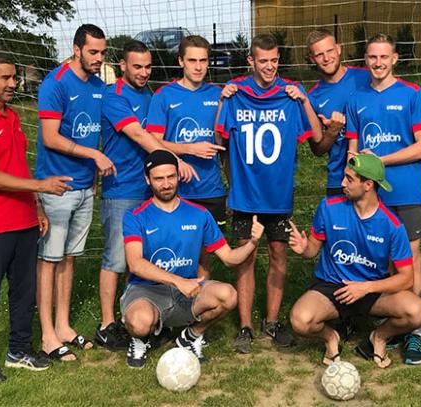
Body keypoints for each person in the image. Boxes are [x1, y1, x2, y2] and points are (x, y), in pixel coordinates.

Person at [0, 51, 72, 382]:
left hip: (24, 220)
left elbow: (17, 166)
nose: (13, 83)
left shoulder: (12, 117)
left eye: (14, 77)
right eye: (5, 78)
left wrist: (35, 203)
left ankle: (19, 350)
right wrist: (41, 185)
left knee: (23, 292)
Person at [216, 33, 323, 354]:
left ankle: (272, 322)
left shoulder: (290, 94)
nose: (270, 67)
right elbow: (218, 137)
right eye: (263, 61)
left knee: (279, 258)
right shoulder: (236, 93)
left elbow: (316, 136)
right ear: (251, 61)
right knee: (244, 259)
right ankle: (246, 326)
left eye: (275, 60)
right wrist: (223, 100)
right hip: (245, 197)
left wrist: (303, 100)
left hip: (278, 198)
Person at [120, 150, 263, 368]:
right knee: (139, 323)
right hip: (146, 291)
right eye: (159, 178)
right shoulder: (135, 216)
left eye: (171, 176)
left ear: (178, 176)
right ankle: (139, 340)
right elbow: (135, 264)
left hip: (186, 292)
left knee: (228, 295)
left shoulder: (199, 214)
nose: (166, 184)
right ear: (147, 180)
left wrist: (252, 243)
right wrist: (178, 281)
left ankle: (190, 336)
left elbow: (229, 258)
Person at [288, 154, 421, 368]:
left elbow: (407, 279)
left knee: (417, 312)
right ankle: (331, 337)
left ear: (368, 185)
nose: (342, 183)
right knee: (300, 320)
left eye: (350, 179)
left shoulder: (392, 225)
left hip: (370, 290)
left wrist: (365, 288)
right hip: (331, 287)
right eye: (344, 177)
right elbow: (312, 250)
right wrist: (303, 248)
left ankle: (378, 337)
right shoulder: (328, 207)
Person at [346, 33, 421, 364]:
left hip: (405, 190)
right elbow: (352, 153)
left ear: (395, 58)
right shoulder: (357, 99)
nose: (378, 63)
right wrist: (355, 174)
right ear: (365, 60)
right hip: (370, 195)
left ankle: (416, 331)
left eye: (384, 57)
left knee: (410, 259)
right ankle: (395, 321)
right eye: (372, 57)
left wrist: (381, 160)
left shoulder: (413, 94)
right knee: (379, 258)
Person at [35, 24, 113, 361]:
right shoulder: (55, 83)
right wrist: (94, 156)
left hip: (84, 187)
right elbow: (51, 138)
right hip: (57, 186)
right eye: (93, 52)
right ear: (76, 48)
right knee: (49, 260)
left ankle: (64, 325)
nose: (98, 58)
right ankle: (47, 335)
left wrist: (92, 176)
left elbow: (92, 132)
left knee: (69, 257)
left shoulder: (99, 86)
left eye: (103, 53)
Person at [96, 40, 175, 351]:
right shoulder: (113, 96)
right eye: (137, 67)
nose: (143, 72)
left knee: (142, 258)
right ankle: (106, 325)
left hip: (148, 188)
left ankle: (146, 317)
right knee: (116, 257)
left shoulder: (148, 94)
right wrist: (174, 159)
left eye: (148, 66)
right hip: (121, 189)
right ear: (122, 66)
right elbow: (141, 136)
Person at [147, 35, 227, 281]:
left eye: (203, 60)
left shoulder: (219, 95)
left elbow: (225, 143)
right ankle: (169, 301)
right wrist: (190, 149)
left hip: (211, 187)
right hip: (177, 188)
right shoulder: (164, 95)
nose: (198, 66)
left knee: (204, 252)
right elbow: (153, 141)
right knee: (176, 250)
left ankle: (199, 304)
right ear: (181, 60)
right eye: (192, 60)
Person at [306, 29, 370, 197]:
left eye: (330, 51)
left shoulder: (366, 77)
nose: (326, 58)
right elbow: (318, 150)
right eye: (319, 55)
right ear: (312, 59)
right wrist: (332, 131)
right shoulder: (312, 98)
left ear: (339, 49)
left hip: (374, 174)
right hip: (339, 180)